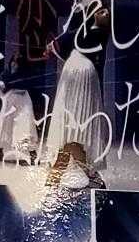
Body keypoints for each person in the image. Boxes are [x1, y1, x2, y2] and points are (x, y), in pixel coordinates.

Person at [44, 27, 109, 167]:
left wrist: (54, 44)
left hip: (80, 68)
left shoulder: (91, 28)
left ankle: (65, 166)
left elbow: (73, 34)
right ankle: (69, 166)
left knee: (74, 117)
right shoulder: (94, 28)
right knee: (75, 118)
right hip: (83, 69)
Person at [0, 52, 39, 165]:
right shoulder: (7, 71)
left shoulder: (25, 73)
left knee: (24, 127)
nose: (13, 64)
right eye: (13, 61)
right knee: (3, 125)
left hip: (22, 103)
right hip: (10, 101)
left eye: (16, 62)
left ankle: (32, 156)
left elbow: (22, 85)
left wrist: (5, 84)